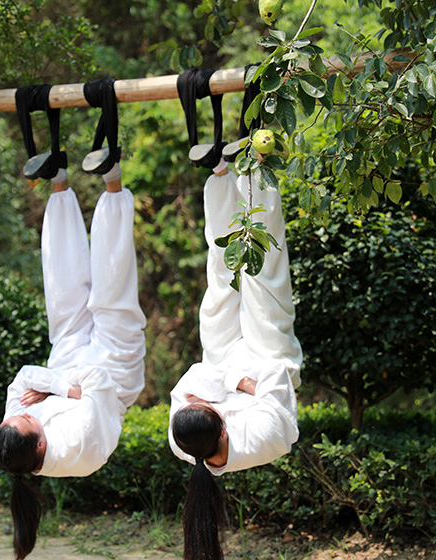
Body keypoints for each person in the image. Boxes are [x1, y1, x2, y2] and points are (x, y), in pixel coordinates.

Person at [0, 164, 145, 560]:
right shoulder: (78, 450)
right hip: (116, 372)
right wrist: (59, 386)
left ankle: (58, 180)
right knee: (112, 289)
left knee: (61, 288)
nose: (18, 412)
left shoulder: (15, 433)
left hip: (67, 360)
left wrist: (62, 388)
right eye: (26, 418)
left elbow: (23, 378)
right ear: (40, 441)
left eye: (14, 415)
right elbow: (94, 382)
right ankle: (113, 183)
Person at [168, 159, 303, 560]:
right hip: (270, 358)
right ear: (224, 430)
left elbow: (191, 379)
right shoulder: (264, 441)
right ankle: (256, 169)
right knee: (264, 273)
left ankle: (221, 173)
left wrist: (232, 386)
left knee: (221, 275)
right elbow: (274, 379)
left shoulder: (183, 441)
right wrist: (230, 384)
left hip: (225, 362)